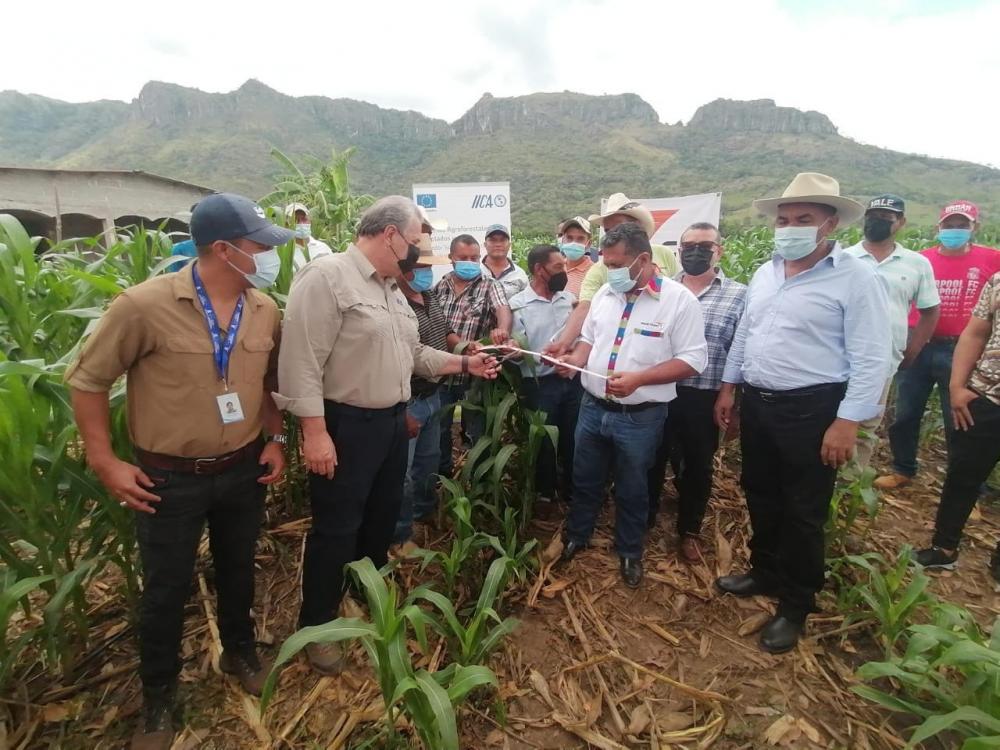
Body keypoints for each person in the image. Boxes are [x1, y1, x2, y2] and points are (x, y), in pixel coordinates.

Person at [66, 193, 292, 750]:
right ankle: (159, 697)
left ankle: (239, 650)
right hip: (169, 477)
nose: (269, 255)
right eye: (259, 245)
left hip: (242, 466)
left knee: (240, 567)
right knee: (165, 590)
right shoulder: (142, 306)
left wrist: (277, 438)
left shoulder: (264, 309)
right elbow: (87, 380)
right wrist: (104, 460)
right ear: (224, 249)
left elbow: (264, 383)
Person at [275, 197, 499, 676]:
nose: (421, 248)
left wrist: (465, 363)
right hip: (345, 425)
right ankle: (317, 624)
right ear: (392, 234)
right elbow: (299, 363)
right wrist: (314, 433)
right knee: (336, 526)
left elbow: (415, 353)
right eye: (418, 237)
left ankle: (366, 591)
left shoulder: (391, 290)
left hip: (392, 423)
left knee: (378, 517)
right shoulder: (327, 278)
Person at [714, 173, 891, 654]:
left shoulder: (856, 277)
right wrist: (730, 387)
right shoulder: (766, 271)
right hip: (761, 401)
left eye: (803, 220)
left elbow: (873, 355)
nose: (789, 227)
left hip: (813, 408)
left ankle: (796, 604)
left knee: (804, 510)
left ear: (829, 223)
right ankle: (765, 570)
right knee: (761, 492)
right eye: (784, 219)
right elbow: (746, 335)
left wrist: (847, 420)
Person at [557, 223, 708, 588]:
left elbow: (693, 360)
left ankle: (629, 550)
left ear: (643, 259)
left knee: (633, 485)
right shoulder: (607, 294)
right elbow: (589, 341)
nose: (610, 271)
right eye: (606, 263)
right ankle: (578, 534)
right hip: (592, 408)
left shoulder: (678, 301)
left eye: (616, 264)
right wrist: (571, 360)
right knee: (586, 479)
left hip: (640, 417)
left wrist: (640, 379)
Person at [876, 201, 1000, 489]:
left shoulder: (992, 260)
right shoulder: (920, 260)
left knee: (960, 417)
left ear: (974, 228)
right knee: (905, 413)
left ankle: (965, 484)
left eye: (962, 225)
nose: (954, 230)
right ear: (938, 227)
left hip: (962, 350)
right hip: (918, 343)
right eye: (949, 225)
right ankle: (903, 468)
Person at [647, 222, 746, 561]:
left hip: (704, 394)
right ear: (678, 252)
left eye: (704, 246)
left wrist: (730, 395)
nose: (695, 252)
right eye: (688, 246)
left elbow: (739, 351)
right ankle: (645, 518)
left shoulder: (739, 295)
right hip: (661, 388)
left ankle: (689, 529)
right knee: (653, 456)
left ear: (720, 250)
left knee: (698, 464)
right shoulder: (661, 290)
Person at [914, 269, 1000, 577]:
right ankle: (944, 548)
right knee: (963, 475)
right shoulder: (998, 280)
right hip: (987, 397)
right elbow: (976, 332)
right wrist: (957, 387)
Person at [844, 195, 940, 470]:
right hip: (840, 355)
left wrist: (914, 348)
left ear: (900, 223)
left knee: (865, 425)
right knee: (830, 417)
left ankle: (848, 485)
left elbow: (930, 310)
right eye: (873, 217)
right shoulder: (844, 258)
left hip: (883, 360)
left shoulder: (916, 264)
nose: (877, 222)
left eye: (886, 218)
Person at [545, 193, 679, 359]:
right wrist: (563, 343)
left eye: (618, 228)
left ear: (636, 227)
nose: (612, 234)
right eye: (608, 231)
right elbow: (584, 307)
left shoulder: (665, 254)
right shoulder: (599, 270)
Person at [392, 214, 458, 545]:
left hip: (435, 395)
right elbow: (405, 359)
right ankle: (401, 535)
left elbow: (444, 332)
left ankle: (424, 513)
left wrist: (463, 346)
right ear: (405, 270)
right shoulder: (394, 305)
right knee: (400, 474)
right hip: (409, 401)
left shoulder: (429, 297)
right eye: (423, 267)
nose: (428, 273)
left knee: (428, 463)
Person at [435, 234, 513, 477]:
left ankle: (475, 479)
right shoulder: (441, 286)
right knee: (439, 429)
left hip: (475, 374)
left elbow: (503, 309)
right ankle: (443, 476)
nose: (470, 262)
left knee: (475, 430)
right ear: (451, 258)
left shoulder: (489, 285)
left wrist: (502, 329)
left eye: (474, 258)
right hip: (444, 371)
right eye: (463, 258)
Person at [509, 244, 581, 503]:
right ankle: (545, 493)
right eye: (558, 267)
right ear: (539, 269)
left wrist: (571, 359)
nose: (564, 271)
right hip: (539, 384)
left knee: (575, 438)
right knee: (544, 441)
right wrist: (518, 351)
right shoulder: (517, 305)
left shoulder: (570, 299)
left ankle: (573, 490)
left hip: (572, 379)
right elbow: (518, 345)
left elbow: (582, 336)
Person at [481, 223, 528, 300]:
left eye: (502, 240)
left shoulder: (520, 274)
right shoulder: (475, 271)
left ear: (509, 245)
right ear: (485, 244)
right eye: (493, 240)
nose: (498, 244)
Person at [286, 203, 334, 272]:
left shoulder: (323, 248)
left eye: (304, 219)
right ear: (287, 225)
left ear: (310, 221)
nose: (301, 224)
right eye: (296, 220)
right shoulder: (284, 252)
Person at [557, 216, 594, 298]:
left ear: (589, 243)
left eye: (580, 238)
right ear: (563, 240)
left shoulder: (594, 272)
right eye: (569, 238)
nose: (574, 243)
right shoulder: (556, 267)